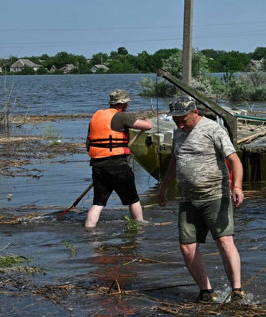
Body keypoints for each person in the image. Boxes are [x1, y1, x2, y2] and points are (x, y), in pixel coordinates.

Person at [157, 96, 245, 304]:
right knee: (187, 247)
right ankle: (206, 291)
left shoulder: (213, 129)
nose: (179, 123)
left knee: (224, 241)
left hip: (215, 195)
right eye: (176, 119)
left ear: (195, 112)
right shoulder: (178, 132)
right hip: (188, 199)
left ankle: (237, 291)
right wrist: (164, 187)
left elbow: (234, 160)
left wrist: (237, 186)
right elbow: (174, 161)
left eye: (183, 119)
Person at [84, 89, 152, 228]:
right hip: (118, 166)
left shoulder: (96, 117)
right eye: (127, 103)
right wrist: (147, 119)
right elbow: (148, 126)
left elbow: (88, 143)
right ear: (123, 103)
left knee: (98, 203)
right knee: (133, 199)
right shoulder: (122, 117)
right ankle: (139, 227)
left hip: (98, 166)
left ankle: (89, 230)